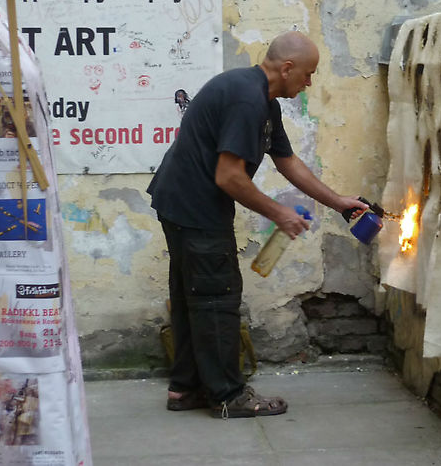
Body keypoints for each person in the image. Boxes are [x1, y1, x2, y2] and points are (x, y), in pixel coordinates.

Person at [147, 31, 367, 418]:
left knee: (191, 298)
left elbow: (287, 161)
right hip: (194, 207)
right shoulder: (246, 99)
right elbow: (229, 177)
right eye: (308, 74)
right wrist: (279, 213)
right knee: (217, 297)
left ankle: (185, 389)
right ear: (287, 68)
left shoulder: (264, 103)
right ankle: (228, 396)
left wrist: (337, 202)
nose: (310, 82)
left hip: (180, 202)